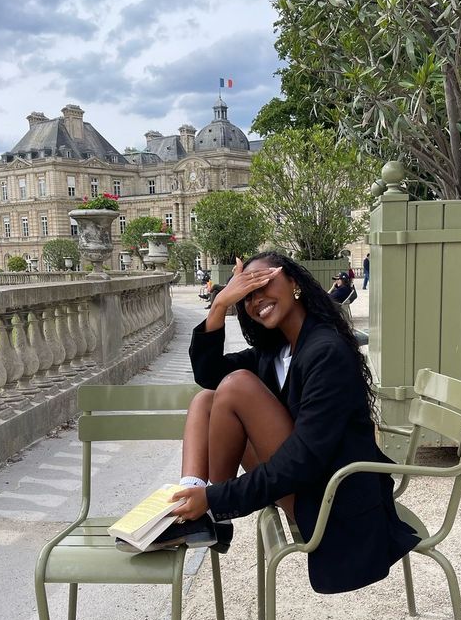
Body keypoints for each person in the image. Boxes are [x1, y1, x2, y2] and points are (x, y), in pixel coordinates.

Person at [151, 251, 419, 594]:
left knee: (236, 386)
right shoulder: (276, 350)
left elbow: (304, 460)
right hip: (304, 481)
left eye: (263, 283)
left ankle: (212, 511)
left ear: (294, 282)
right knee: (207, 399)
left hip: (331, 498)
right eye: (246, 294)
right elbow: (207, 375)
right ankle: (197, 499)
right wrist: (219, 306)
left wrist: (220, 497)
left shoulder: (326, 351)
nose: (256, 299)